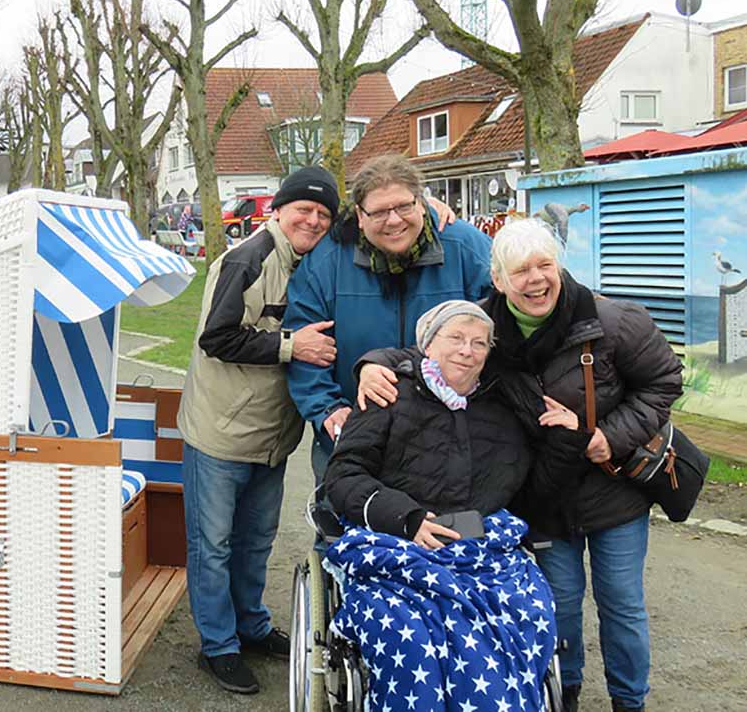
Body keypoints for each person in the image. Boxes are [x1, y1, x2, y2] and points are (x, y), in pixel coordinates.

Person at [356, 218, 683, 712]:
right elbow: (433, 350)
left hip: (611, 490)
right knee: (559, 604)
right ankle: (563, 694)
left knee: (622, 605)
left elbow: (663, 382)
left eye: (544, 265)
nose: (535, 279)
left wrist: (608, 438)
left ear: (559, 267)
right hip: (544, 492)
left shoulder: (614, 321)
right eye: (520, 270)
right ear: (499, 279)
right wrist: (371, 362)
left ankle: (629, 701)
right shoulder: (488, 328)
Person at [324, 299, 590, 712]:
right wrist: (405, 518)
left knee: (528, 615)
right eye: (456, 339)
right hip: (396, 546)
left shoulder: (504, 409)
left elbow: (533, 495)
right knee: (409, 637)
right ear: (428, 346)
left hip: (480, 547)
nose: (467, 350)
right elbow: (342, 477)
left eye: (479, 343)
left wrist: (568, 440)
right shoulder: (387, 392)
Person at [177, 165, 340, 695]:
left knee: (255, 542)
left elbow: (382, 221)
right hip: (221, 433)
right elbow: (216, 337)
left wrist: (435, 211)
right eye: (303, 210)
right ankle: (218, 647)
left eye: (323, 214)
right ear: (278, 210)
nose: (313, 221)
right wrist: (292, 346)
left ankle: (251, 625)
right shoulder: (247, 260)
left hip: (272, 437)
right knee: (214, 544)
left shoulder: (317, 262)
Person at [284, 154, 494, 500]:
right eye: (380, 212)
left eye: (403, 207)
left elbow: (505, 317)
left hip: (448, 438)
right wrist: (328, 410)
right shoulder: (326, 260)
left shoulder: (463, 246)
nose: (393, 220)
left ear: (422, 203)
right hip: (353, 435)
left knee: (440, 543)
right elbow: (307, 345)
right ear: (359, 217)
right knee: (343, 541)